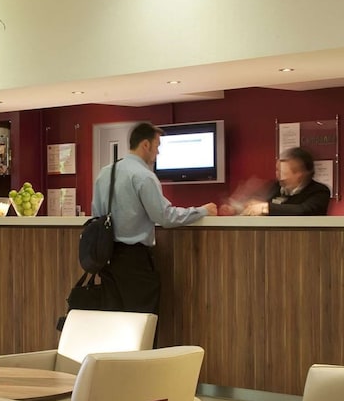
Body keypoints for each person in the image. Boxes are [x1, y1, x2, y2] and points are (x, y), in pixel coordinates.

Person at [92, 122, 218, 314]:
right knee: (142, 320)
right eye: (157, 146)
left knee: (114, 320)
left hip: (107, 259)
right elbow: (165, 217)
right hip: (134, 260)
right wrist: (202, 211)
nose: (157, 153)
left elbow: (96, 215)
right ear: (145, 145)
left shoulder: (104, 173)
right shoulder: (144, 176)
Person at [240, 147, 331, 216]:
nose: (278, 176)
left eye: (283, 172)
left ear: (299, 173)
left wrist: (265, 207)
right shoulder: (275, 187)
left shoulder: (320, 191)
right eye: (277, 170)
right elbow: (257, 201)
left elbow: (303, 210)